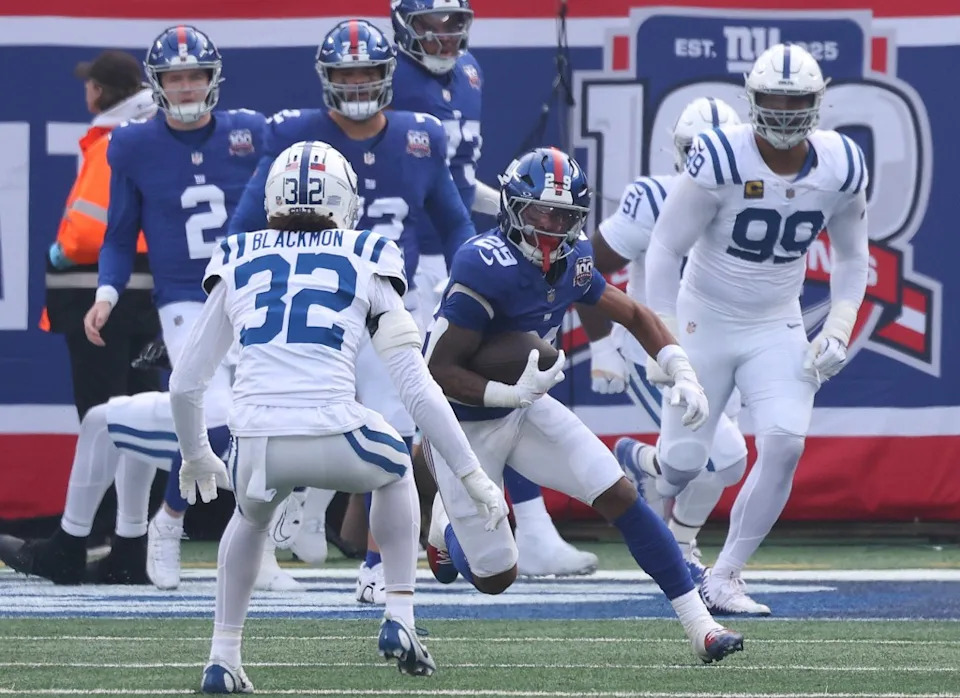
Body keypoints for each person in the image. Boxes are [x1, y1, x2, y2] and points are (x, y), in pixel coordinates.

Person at [170, 140, 507, 692]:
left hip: (253, 442)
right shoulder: (369, 253)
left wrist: (195, 454)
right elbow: (416, 385)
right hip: (335, 431)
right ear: (345, 198)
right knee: (396, 463)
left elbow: (186, 382)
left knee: (250, 519)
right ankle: (399, 613)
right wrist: (470, 473)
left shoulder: (238, 255)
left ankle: (222, 656)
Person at [422, 146, 744, 663]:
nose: (550, 227)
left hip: (525, 409)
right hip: (461, 423)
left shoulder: (573, 262)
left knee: (619, 495)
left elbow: (635, 313)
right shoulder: (484, 263)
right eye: (539, 213)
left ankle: (701, 626)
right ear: (511, 208)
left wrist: (681, 370)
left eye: (564, 217)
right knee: (496, 576)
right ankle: (443, 525)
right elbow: (436, 370)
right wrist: (507, 392)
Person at [0, 25, 292, 591]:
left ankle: (132, 537)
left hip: (254, 296)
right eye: (174, 78)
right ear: (157, 85)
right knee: (218, 418)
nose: (185, 88)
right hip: (184, 302)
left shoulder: (252, 133)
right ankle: (160, 532)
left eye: (195, 77)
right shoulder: (132, 143)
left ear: (213, 80)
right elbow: (117, 234)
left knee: (223, 415)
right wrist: (105, 294)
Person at [228, 18, 477, 603]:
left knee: (397, 428)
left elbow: (455, 221)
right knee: (312, 416)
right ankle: (293, 518)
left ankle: (370, 562)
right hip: (317, 305)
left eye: (368, 71)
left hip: (388, 298)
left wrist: (466, 285)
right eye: (347, 72)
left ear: (389, 75)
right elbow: (244, 228)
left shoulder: (421, 135)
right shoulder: (293, 136)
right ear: (326, 78)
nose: (359, 82)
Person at [643, 44, 869, 615]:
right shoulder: (721, 157)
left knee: (785, 444)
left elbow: (849, 258)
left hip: (776, 321)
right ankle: (640, 462)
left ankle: (725, 576)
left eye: (797, 101)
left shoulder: (842, 163)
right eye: (774, 98)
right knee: (683, 464)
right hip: (704, 319)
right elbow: (665, 249)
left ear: (818, 103)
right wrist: (666, 338)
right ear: (752, 97)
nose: (785, 111)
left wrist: (840, 325)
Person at [389, 0, 597, 578]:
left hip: (451, 248)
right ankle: (394, 545)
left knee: (507, 384)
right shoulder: (390, 77)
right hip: (406, 256)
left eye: (453, 22)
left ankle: (514, 526)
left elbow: (453, 183)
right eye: (430, 25)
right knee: (419, 405)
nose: (444, 35)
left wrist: (520, 205)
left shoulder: (471, 73)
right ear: (405, 26)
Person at [578, 97, 749, 584]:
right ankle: (680, 544)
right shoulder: (654, 197)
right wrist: (604, 346)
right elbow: (585, 269)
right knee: (727, 458)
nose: (705, 160)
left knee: (690, 465)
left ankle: (642, 462)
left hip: (723, 346)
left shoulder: (755, 197)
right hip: (658, 349)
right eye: (696, 149)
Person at [42, 50, 160, 421]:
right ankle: (147, 484)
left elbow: (91, 230)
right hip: (143, 299)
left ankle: (111, 485)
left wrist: (62, 251)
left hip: (99, 303)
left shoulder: (112, 143)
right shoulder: (150, 137)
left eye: (90, 85)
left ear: (99, 91)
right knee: (144, 412)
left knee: (102, 418)